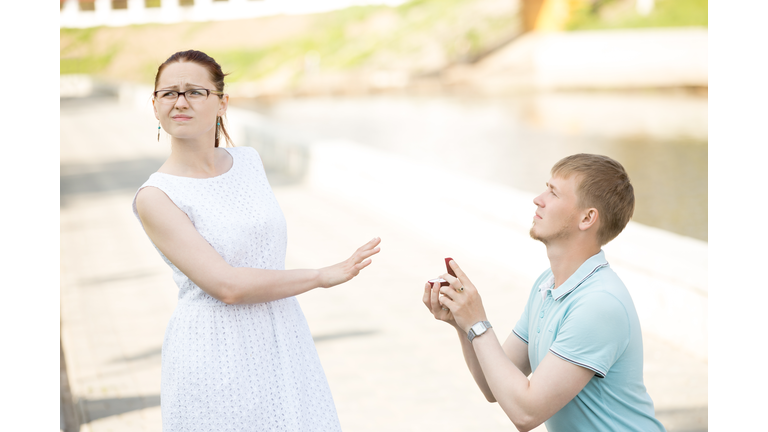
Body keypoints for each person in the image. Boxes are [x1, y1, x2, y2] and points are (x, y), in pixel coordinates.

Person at [132, 50, 381, 431]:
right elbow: (227, 285)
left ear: (221, 103)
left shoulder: (248, 161)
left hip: (283, 334)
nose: (180, 102)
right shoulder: (156, 197)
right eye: (168, 93)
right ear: (155, 106)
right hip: (214, 350)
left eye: (195, 92)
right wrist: (319, 275)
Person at [423, 154, 666, 432]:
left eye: (553, 193)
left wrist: (478, 324)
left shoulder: (599, 304)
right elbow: (496, 387)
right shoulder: (547, 284)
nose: (538, 199)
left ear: (587, 218)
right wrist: (463, 323)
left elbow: (526, 414)